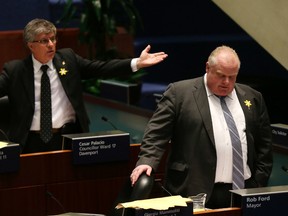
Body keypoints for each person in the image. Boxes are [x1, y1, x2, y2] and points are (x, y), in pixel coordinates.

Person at [130, 45, 273, 209]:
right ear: (207, 67)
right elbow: (157, 133)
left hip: (242, 191)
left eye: (232, 77)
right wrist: (147, 161)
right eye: (221, 76)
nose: (226, 82)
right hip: (193, 190)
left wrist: (257, 183)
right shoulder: (180, 93)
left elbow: (264, 147)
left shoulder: (253, 97)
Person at [0, 18, 168, 154]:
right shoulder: (15, 70)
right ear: (31, 45)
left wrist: (137, 62)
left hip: (68, 138)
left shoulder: (68, 59)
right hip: (30, 143)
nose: (51, 44)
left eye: (53, 39)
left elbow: (101, 68)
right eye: (44, 41)